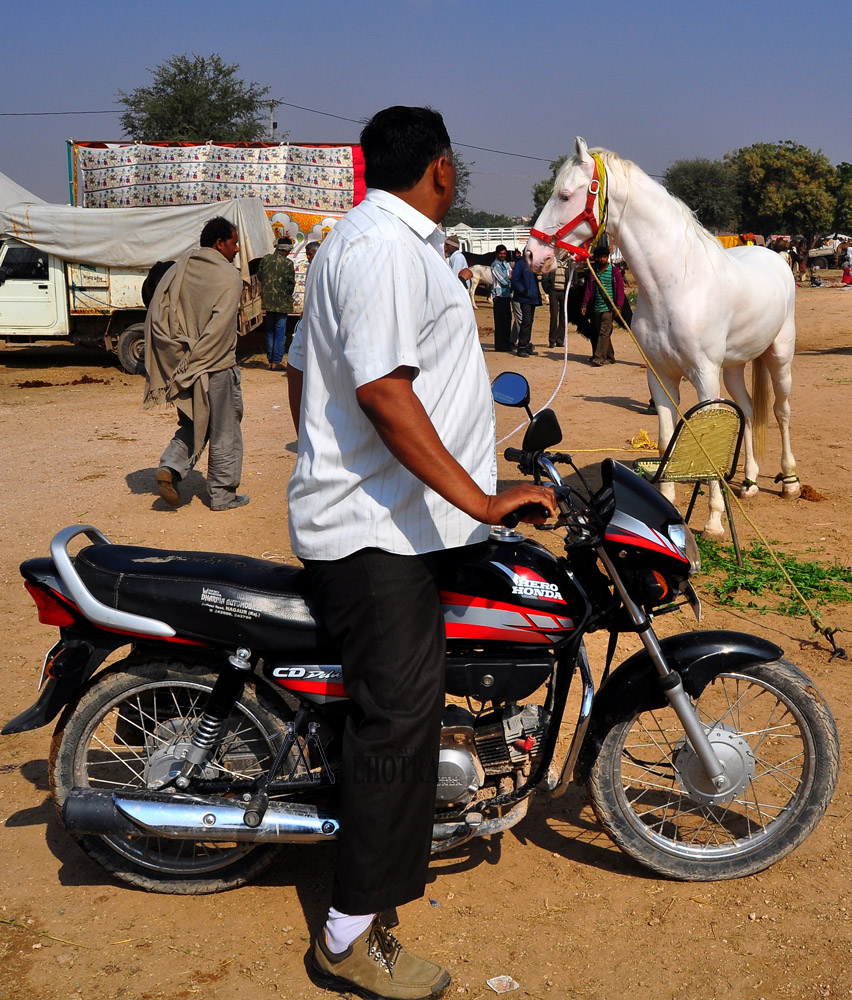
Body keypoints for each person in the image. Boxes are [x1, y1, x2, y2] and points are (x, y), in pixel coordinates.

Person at [286, 105, 555, 1000]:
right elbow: (383, 392)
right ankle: (350, 932)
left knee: (414, 696)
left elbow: (302, 373)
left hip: (396, 518)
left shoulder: (364, 240)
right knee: (397, 716)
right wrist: (479, 496)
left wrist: (327, 454)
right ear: (442, 169)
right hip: (376, 534)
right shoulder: (385, 251)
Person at [144, 217, 249, 511]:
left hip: (182, 365)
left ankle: (171, 467)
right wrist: (199, 363)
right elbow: (219, 331)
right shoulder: (228, 276)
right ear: (219, 244)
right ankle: (222, 495)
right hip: (214, 366)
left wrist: (181, 364)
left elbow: (157, 312)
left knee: (193, 421)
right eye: (234, 242)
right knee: (224, 430)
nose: (237, 248)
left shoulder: (180, 268)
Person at [581, 243, 625, 366]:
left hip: (609, 308)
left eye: (604, 257)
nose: (602, 259)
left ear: (608, 257)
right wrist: (584, 305)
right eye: (600, 257)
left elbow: (620, 290)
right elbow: (589, 290)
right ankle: (610, 357)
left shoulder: (614, 272)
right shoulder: (594, 273)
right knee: (600, 332)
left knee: (604, 332)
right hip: (596, 308)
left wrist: (619, 306)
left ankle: (599, 357)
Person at [258, 236, 295, 370]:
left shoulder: (266, 259)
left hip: (268, 302)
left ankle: (270, 360)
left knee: (270, 331)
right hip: (282, 303)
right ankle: (276, 361)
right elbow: (291, 284)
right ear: (287, 250)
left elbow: (260, 277)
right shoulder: (288, 264)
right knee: (280, 332)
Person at [510, 251, 541, 357]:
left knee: (530, 321)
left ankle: (527, 345)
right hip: (524, 298)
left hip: (532, 297)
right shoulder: (521, 264)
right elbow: (515, 279)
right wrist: (523, 290)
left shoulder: (532, 264)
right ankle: (521, 347)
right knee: (526, 321)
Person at [540, 257, 569, 348]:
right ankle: (552, 340)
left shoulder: (569, 264)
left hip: (565, 293)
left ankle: (560, 340)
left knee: (563, 317)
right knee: (554, 316)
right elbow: (545, 277)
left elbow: (574, 278)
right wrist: (548, 291)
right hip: (554, 292)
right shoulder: (552, 262)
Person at [490, 244, 513, 352]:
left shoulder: (505, 264)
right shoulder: (496, 265)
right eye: (500, 253)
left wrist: (509, 277)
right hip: (499, 296)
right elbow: (504, 281)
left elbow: (510, 275)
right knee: (500, 322)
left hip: (506, 295)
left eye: (504, 253)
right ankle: (500, 345)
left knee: (507, 320)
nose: (502, 255)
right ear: (496, 254)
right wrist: (510, 278)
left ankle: (506, 342)